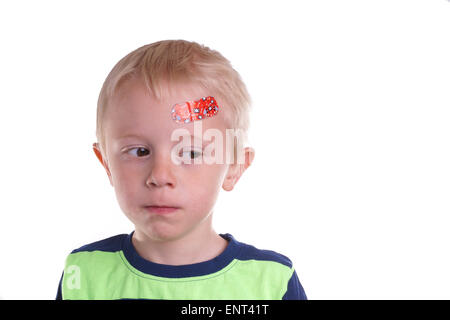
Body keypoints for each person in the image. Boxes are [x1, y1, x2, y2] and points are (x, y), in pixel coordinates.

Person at [56, 39, 307, 300]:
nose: (160, 176)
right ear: (107, 163)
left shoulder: (271, 283)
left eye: (189, 153)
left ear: (234, 166)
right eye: (139, 151)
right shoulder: (83, 274)